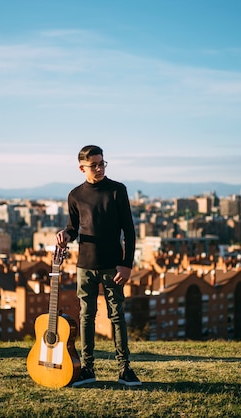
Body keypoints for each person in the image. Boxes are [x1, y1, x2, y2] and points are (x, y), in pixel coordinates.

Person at [56, 145, 142, 387]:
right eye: (94, 164)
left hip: (113, 266)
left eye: (102, 163)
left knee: (117, 316)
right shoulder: (75, 195)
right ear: (82, 167)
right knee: (86, 316)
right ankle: (86, 368)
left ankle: (125, 369)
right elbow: (73, 228)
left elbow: (129, 231)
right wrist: (64, 234)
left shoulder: (117, 190)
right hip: (85, 265)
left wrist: (126, 265)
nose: (100, 168)